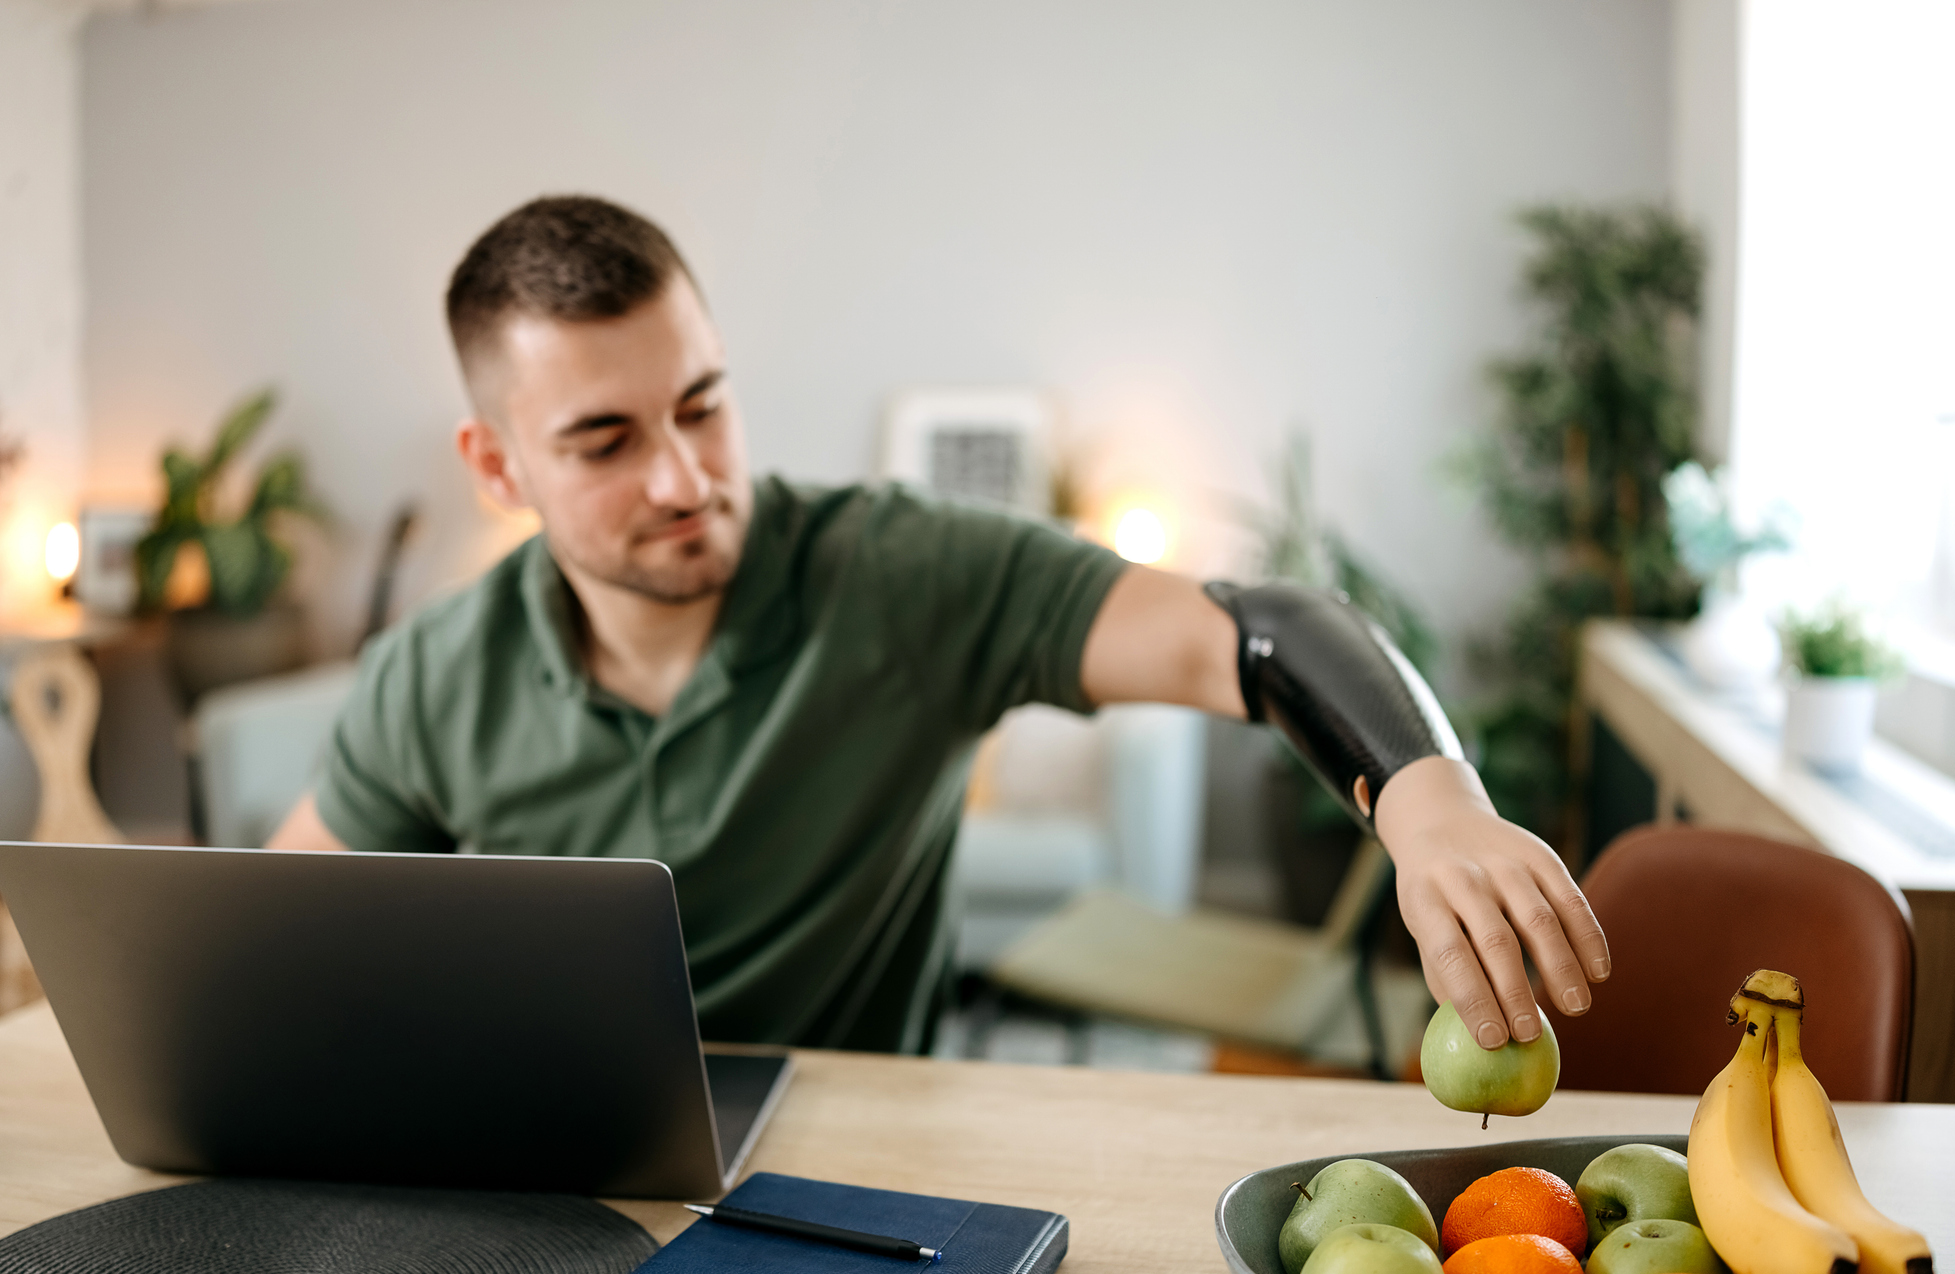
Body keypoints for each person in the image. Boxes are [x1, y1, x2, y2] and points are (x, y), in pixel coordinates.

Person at [269, 195, 1609, 1056]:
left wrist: (1432, 806)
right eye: (606, 439)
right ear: (497, 467)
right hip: (552, 1188)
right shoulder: (433, 675)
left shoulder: (900, 575)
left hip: (857, 1175)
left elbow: (1251, 632)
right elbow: (281, 949)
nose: (682, 476)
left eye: (703, 404)